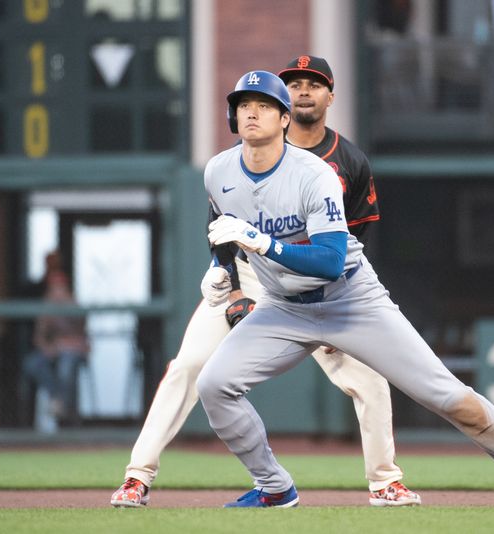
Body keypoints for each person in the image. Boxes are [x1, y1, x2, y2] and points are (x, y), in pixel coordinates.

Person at [195, 69, 494, 508]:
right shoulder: (218, 171)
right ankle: (274, 486)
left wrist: (265, 244)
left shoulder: (314, 174)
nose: (251, 114)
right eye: (243, 107)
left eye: (263, 107)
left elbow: (332, 263)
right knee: (214, 385)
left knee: (446, 396)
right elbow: (222, 229)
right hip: (284, 308)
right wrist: (221, 269)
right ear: (232, 119)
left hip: (350, 300)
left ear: (283, 119)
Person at [111, 56, 419, 508]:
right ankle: (138, 477)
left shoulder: (347, 161)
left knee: (370, 378)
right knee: (187, 368)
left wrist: (339, 308)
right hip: (254, 274)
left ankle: (385, 481)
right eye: (293, 83)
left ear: (328, 97)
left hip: (321, 282)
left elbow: (355, 239)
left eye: (314, 84)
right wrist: (230, 285)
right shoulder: (234, 162)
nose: (303, 90)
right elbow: (220, 225)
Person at [22, 270, 89, 427]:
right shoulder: (47, 308)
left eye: (61, 288)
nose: (57, 292)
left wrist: (65, 344)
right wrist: (49, 347)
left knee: (66, 366)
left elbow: (82, 337)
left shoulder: (75, 306)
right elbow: (38, 338)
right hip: (54, 351)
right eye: (54, 288)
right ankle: (57, 397)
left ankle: (66, 415)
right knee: (33, 363)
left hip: (73, 352)